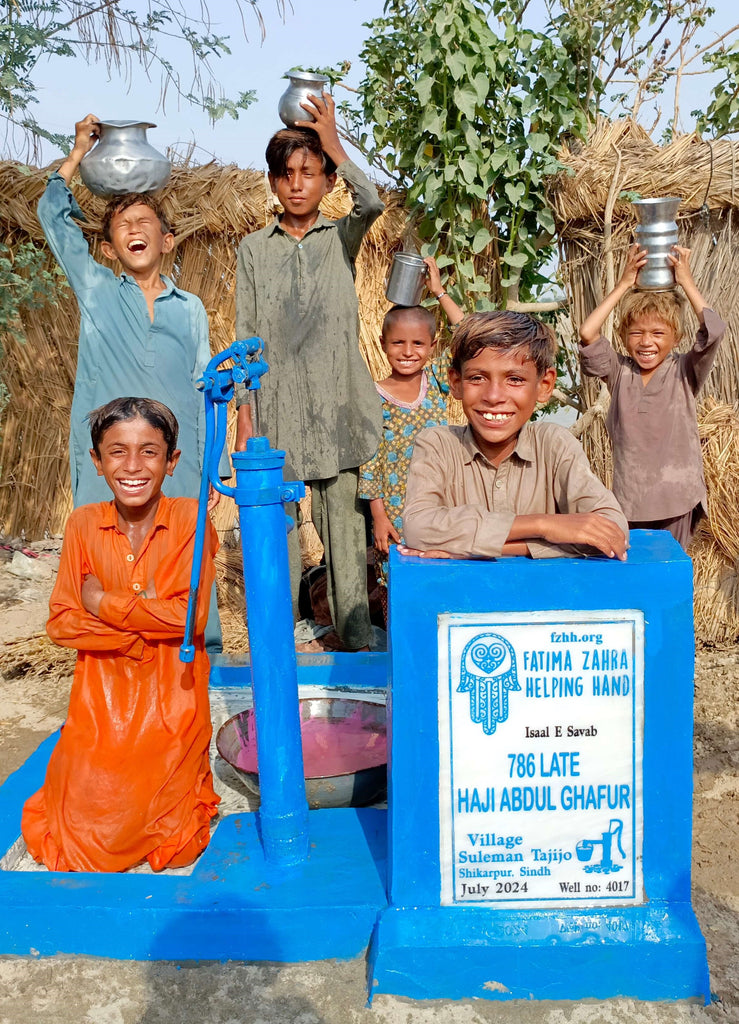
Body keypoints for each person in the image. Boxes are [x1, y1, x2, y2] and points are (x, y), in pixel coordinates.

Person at [38, 113, 224, 649]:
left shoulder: (190, 309)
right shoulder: (97, 291)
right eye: (123, 226)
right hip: (109, 456)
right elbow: (53, 218)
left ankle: (197, 664)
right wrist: (76, 153)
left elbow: (204, 388)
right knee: (103, 555)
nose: (135, 230)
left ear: (167, 241)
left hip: (177, 460)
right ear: (111, 247)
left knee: (187, 560)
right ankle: (109, 655)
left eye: (145, 223)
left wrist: (210, 469)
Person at [22, 398, 220, 873]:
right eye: (117, 452)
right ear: (96, 461)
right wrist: (135, 631)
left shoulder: (192, 520)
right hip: (98, 700)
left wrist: (102, 603)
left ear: (171, 462)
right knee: (81, 833)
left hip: (172, 701)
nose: (133, 466)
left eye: (149, 452)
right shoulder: (82, 524)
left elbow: (187, 620)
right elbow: (60, 623)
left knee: (167, 838)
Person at [234, 91, 384, 652]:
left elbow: (370, 203)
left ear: (325, 180)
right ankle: (278, 637)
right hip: (275, 417)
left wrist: (334, 144)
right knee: (280, 531)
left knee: (345, 532)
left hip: (339, 410)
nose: (298, 183)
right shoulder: (253, 249)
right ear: (274, 183)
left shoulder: (340, 240)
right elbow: (245, 341)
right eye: (287, 174)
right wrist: (247, 419)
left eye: (310, 172)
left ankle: (357, 634)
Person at [401, 311, 629, 560]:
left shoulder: (554, 444)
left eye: (515, 379)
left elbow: (612, 529)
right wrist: (544, 526)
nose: (494, 396)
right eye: (477, 378)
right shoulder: (437, 444)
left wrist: (469, 548)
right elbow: (418, 528)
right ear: (456, 382)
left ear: (544, 386)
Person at [579, 244, 726, 549]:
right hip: (631, 500)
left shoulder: (684, 370)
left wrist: (685, 280)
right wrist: (623, 284)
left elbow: (713, 330)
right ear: (623, 337)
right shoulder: (619, 372)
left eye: (658, 334)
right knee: (637, 577)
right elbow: (588, 332)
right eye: (637, 333)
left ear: (677, 338)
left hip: (677, 497)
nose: (646, 342)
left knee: (668, 573)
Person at [359, 258, 464, 609]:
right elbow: (370, 460)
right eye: (398, 343)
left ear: (432, 346)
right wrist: (378, 516)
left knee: (445, 577)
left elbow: (468, 335)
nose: (408, 352)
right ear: (383, 344)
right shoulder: (373, 395)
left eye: (418, 343)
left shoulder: (437, 382)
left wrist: (439, 291)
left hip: (443, 502)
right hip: (396, 511)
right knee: (400, 586)